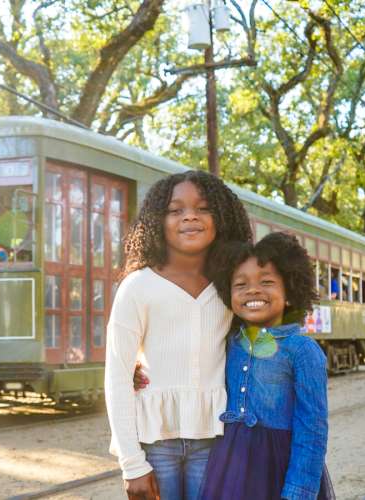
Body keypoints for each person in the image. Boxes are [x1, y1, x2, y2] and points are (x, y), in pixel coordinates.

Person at [105, 170, 253, 500]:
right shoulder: (137, 286)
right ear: (158, 220)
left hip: (215, 439)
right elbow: (116, 376)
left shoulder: (232, 285)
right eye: (176, 209)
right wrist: (132, 464)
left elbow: (259, 344)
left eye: (203, 208)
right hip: (155, 445)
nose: (190, 216)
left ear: (221, 218)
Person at [200, 232, 335, 500]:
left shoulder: (302, 351)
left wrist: (299, 491)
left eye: (267, 281)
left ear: (289, 292)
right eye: (240, 284)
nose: (253, 290)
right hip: (228, 468)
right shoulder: (227, 344)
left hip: (278, 470)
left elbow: (313, 429)